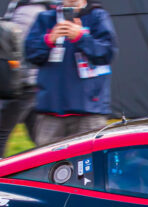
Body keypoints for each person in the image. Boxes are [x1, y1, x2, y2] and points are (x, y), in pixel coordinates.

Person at [25, 0, 117, 146]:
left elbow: (106, 53)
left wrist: (82, 37)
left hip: (88, 111)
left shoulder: (98, 16)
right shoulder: (46, 18)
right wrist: (49, 40)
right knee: (46, 164)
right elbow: (31, 54)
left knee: (89, 163)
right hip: (51, 110)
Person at [0, 0, 54, 158]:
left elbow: (20, 46)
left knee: (1, 133)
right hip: (32, 82)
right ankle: (50, 163)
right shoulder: (36, 7)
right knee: (37, 134)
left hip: (23, 83)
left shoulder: (27, 10)